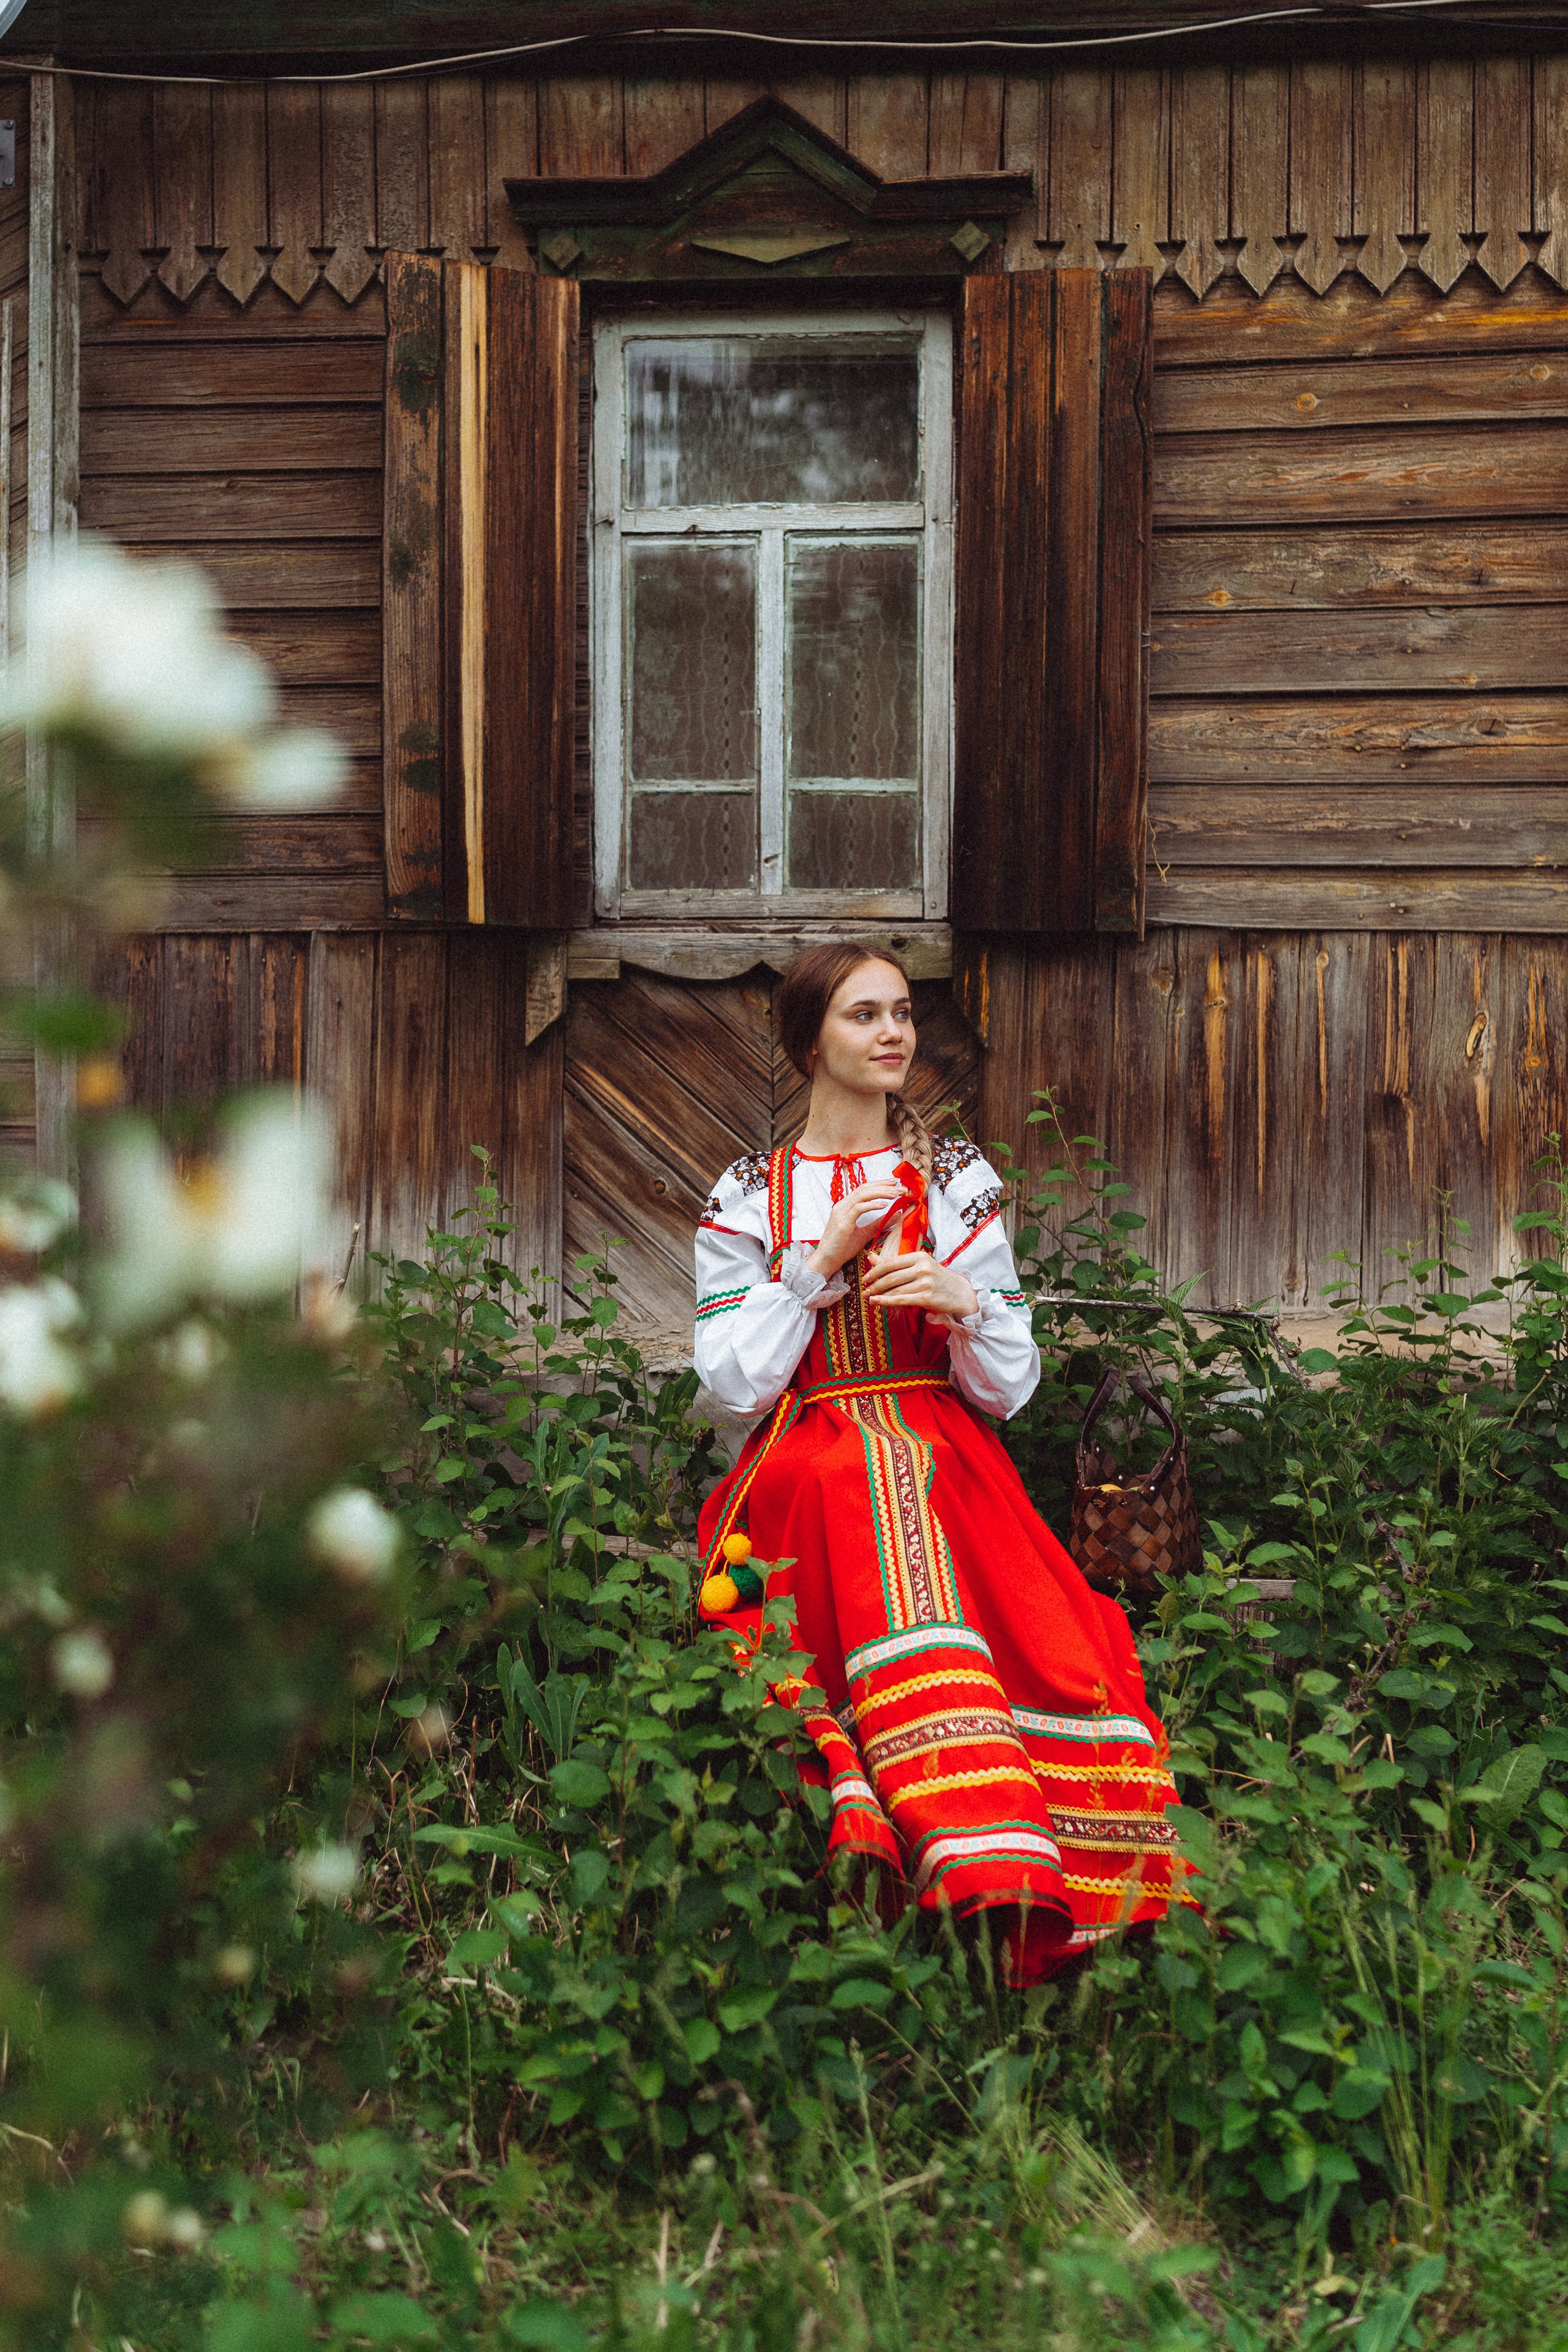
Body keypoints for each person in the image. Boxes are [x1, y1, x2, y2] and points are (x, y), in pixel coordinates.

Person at [692, 941, 1182, 1985]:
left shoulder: (952, 1179)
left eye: (902, 1014)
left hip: (940, 1435)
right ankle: (908, 1824)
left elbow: (1008, 1392)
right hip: (806, 1444)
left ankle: (1002, 1847)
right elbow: (735, 1385)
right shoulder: (751, 1194)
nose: (893, 1034)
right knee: (850, 1480)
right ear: (807, 1041)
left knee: (935, 1496)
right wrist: (818, 1268)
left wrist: (965, 1308)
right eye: (864, 1015)